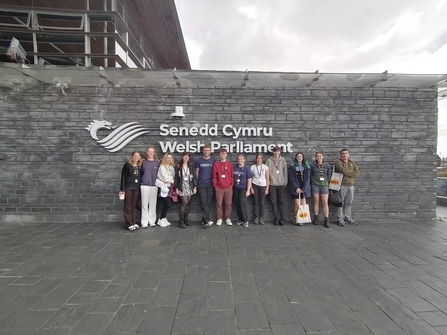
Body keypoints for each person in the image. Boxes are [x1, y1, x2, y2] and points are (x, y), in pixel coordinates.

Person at [334, 148, 360, 226]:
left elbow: (357, 173)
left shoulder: (352, 163)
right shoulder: (338, 162)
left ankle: (347, 217)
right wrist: (351, 173)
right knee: (340, 202)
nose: (345, 155)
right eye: (343, 153)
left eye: (346, 153)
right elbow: (343, 171)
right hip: (342, 185)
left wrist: (349, 173)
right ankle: (340, 218)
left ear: (349, 154)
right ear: (341, 155)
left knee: (349, 202)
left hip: (351, 185)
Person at [119, 151, 142, 231]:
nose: (136, 157)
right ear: (132, 156)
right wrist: (122, 189)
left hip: (136, 188)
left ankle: (133, 222)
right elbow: (123, 177)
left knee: (133, 206)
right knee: (127, 206)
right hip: (128, 188)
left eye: (138, 156)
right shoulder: (127, 165)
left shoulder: (139, 166)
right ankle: (128, 223)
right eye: (135, 156)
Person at [194, 145, 216, 228]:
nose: (206, 152)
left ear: (210, 151)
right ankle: (205, 220)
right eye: (205, 150)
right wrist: (197, 184)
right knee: (203, 202)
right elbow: (197, 172)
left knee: (209, 202)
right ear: (203, 151)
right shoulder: (199, 160)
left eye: (208, 150)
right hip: (202, 184)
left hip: (210, 184)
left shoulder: (213, 160)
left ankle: (205, 219)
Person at [174, 152, 197, 229]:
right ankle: (181, 221)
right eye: (185, 156)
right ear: (182, 157)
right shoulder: (178, 166)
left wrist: (195, 187)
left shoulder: (190, 166)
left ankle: (186, 219)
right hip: (182, 186)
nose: (186, 157)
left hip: (189, 186)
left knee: (188, 203)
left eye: (187, 156)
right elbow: (176, 178)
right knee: (184, 203)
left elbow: (194, 177)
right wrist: (176, 187)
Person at [265, 146, 288, 225]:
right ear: (273, 152)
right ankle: (276, 218)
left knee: (281, 201)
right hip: (272, 184)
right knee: (273, 202)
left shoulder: (283, 160)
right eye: (274, 151)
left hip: (281, 184)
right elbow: (266, 172)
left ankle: (282, 218)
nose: (276, 153)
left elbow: (285, 172)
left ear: (280, 152)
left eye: (277, 151)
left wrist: (285, 182)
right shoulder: (268, 160)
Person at [212, 148, 234, 226]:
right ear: (219, 155)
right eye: (221, 153)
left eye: (224, 153)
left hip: (228, 187)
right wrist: (215, 186)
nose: (223, 155)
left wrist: (231, 185)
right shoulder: (216, 164)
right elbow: (214, 176)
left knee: (228, 204)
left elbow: (232, 176)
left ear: (226, 154)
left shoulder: (230, 164)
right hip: (219, 188)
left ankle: (228, 218)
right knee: (219, 204)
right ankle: (219, 218)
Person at [140, 146, 160, 228]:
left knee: (153, 204)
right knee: (144, 205)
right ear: (147, 152)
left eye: (152, 151)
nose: (151, 153)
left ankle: (152, 221)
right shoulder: (142, 162)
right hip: (145, 185)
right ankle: (144, 222)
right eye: (149, 151)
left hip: (154, 186)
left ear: (154, 153)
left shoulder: (157, 162)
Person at [288, 152, 311, 225]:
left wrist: (304, 188)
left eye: (300, 156)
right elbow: (291, 178)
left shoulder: (307, 166)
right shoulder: (292, 166)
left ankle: (302, 218)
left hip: (303, 187)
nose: (299, 157)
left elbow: (308, 178)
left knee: (303, 203)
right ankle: (296, 218)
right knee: (297, 204)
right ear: (296, 157)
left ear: (303, 157)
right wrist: (296, 188)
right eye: (298, 156)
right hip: (295, 188)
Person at [310, 152, 331, 228]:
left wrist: (326, 181)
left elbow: (329, 175)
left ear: (323, 157)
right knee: (316, 201)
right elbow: (310, 175)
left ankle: (326, 219)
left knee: (325, 202)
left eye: (320, 156)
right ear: (315, 157)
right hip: (315, 184)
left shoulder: (327, 165)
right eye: (317, 156)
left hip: (324, 185)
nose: (319, 157)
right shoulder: (312, 165)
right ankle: (316, 217)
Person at [156, 152, 176, 227]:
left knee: (166, 204)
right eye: (167, 158)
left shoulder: (171, 167)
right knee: (168, 204)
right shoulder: (162, 167)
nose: (169, 159)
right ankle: (161, 219)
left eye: (170, 158)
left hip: (170, 188)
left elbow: (173, 177)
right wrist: (170, 181)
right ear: (165, 158)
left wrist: (171, 181)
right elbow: (163, 177)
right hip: (163, 188)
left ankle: (163, 218)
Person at [233, 154, 252, 227]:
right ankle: (240, 219)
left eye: (241, 159)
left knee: (242, 203)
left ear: (244, 160)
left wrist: (248, 190)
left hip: (243, 188)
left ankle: (245, 220)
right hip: (236, 188)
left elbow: (249, 179)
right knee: (237, 204)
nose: (240, 160)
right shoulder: (234, 168)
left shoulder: (247, 168)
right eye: (239, 159)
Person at [250, 153, 269, 225]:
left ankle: (262, 218)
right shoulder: (252, 167)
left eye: (260, 158)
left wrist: (267, 188)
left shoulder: (265, 167)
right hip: (255, 185)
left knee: (262, 203)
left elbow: (267, 178)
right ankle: (256, 217)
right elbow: (250, 178)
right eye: (258, 158)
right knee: (256, 202)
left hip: (263, 186)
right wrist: (251, 188)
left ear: (262, 159)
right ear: (256, 159)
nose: (259, 159)